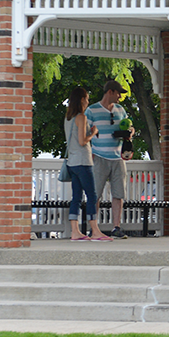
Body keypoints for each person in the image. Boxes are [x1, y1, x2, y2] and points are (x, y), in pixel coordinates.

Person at [86, 80, 133, 239]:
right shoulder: (92, 110)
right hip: (98, 157)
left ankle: (116, 227)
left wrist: (130, 132)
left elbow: (128, 127)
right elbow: (86, 134)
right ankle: (93, 228)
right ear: (110, 92)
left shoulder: (121, 110)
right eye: (118, 93)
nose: (120, 96)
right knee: (95, 194)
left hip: (118, 157)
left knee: (118, 194)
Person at [64, 87, 111, 241]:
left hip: (72, 162)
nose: (88, 101)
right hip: (83, 162)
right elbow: (82, 141)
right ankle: (95, 230)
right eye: (87, 98)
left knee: (76, 196)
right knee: (92, 195)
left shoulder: (68, 118)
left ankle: (75, 231)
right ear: (82, 99)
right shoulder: (81, 117)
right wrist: (93, 133)